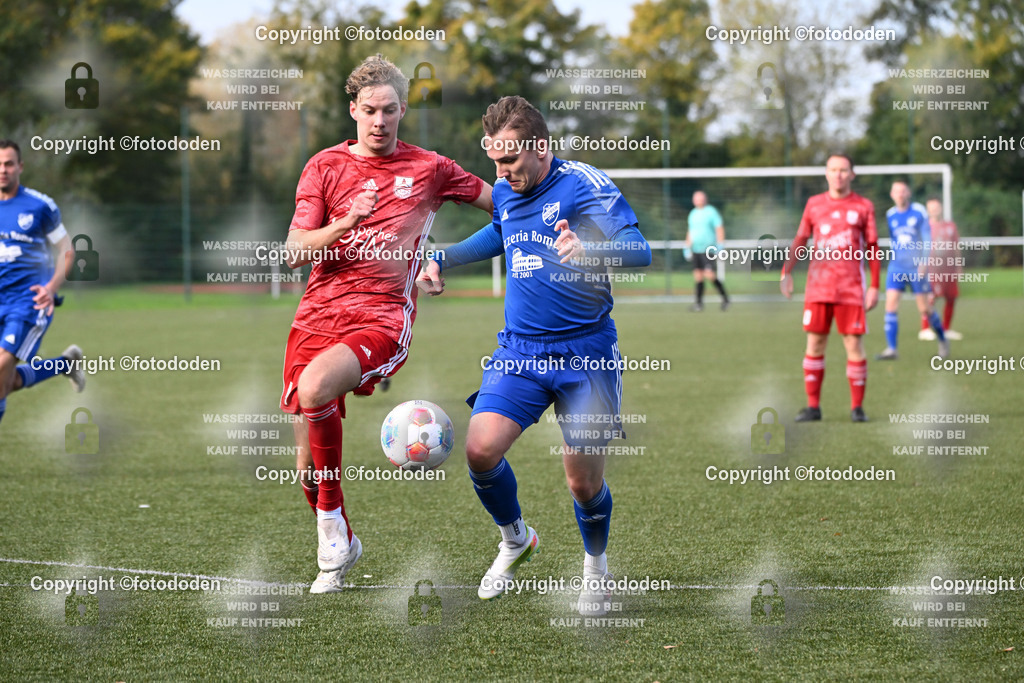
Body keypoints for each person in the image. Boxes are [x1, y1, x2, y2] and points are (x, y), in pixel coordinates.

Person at [417, 96, 651, 616]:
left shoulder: (584, 184)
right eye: (495, 162)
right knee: (480, 449)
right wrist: (441, 257)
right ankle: (516, 537)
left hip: (585, 353)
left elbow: (640, 249)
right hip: (520, 350)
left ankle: (596, 570)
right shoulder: (505, 188)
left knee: (582, 482)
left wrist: (593, 252)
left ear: (541, 148)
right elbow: (502, 229)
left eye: (510, 161)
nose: (500, 173)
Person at [279, 55, 494, 594]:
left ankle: (329, 532)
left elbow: (502, 204)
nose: (380, 120)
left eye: (390, 110)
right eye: (370, 110)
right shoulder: (324, 167)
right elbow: (293, 251)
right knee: (307, 470)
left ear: (403, 110)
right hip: (315, 318)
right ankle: (344, 539)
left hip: (380, 316)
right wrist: (346, 222)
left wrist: (444, 261)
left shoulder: (431, 168)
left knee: (316, 386)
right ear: (353, 110)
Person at [780, 154, 880, 423]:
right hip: (818, 288)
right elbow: (801, 238)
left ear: (852, 174)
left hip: (851, 289)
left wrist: (874, 286)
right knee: (814, 343)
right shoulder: (814, 204)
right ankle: (813, 407)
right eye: (833, 169)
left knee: (854, 345)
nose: (838, 174)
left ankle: (857, 408)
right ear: (826, 173)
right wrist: (786, 271)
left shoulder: (863, 206)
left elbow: (872, 248)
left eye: (843, 170)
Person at [0, 139, 86, 427]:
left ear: (20, 167)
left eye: (9, 164)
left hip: (28, 300)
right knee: (8, 382)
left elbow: (67, 249)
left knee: (0, 368)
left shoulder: (39, 206)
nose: (3, 170)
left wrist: (51, 288)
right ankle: (65, 364)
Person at [875, 181, 948, 360]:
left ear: (908, 193)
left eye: (903, 191)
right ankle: (892, 349)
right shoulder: (890, 215)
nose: (900, 194)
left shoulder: (918, 212)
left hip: (916, 266)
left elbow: (927, 239)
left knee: (924, 308)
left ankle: (942, 338)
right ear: (892, 195)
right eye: (896, 191)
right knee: (890, 305)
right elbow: (894, 240)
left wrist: (923, 262)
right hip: (897, 266)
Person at [919, 197, 962, 341]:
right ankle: (925, 328)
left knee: (951, 298)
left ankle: (946, 328)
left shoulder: (950, 226)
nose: (934, 210)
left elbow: (956, 247)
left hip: (948, 269)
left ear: (941, 208)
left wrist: (958, 266)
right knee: (930, 298)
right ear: (927, 210)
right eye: (931, 208)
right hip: (932, 269)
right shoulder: (924, 227)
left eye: (936, 207)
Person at [684, 190, 729, 311]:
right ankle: (698, 304)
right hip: (696, 249)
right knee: (698, 276)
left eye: (701, 198)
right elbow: (690, 232)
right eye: (696, 198)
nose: (699, 200)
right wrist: (687, 247)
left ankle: (725, 298)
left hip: (708, 249)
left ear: (705, 199)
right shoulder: (692, 214)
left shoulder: (711, 212)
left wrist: (720, 245)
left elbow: (719, 228)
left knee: (709, 274)